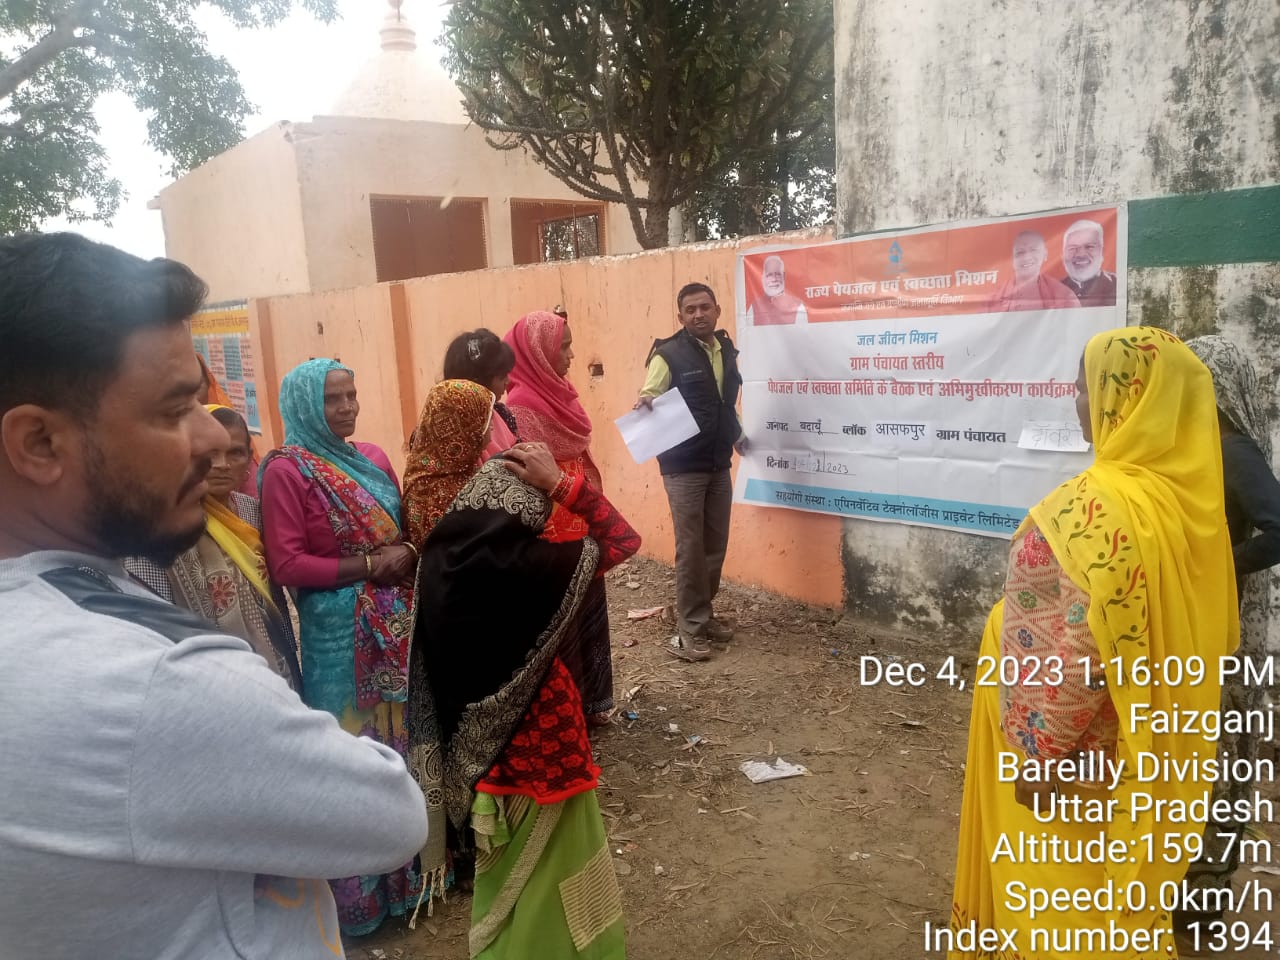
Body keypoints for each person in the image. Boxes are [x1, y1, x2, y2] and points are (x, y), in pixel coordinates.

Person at [0, 233, 427, 958]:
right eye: (173, 411)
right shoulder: (157, 684)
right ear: (39, 444)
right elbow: (391, 814)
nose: (213, 440)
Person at [948, 326, 1238, 959]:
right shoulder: (1190, 508)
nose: (1075, 400)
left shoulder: (1088, 510)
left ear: (1120, 398)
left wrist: (1038, 755)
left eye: (1084, 386)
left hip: (1070, 756)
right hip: (1142, 746)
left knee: (1060, 898)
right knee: (1117, 896)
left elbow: (1078, 654)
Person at [406, 446, 640, 959]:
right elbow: (623, 539)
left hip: (480, 763)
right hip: (547, 752)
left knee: (503, 875)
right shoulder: (537, 566)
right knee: (562, 867)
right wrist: (562, 485)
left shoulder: (436, 562)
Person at [259, 357, 424, 938]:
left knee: (402, 745)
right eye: (333, 399)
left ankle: (408, 881)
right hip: (337, 641)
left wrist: (406, 553)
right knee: (352, 757)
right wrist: (372, 566)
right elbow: (287, 563)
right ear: (306, 405)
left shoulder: (373, 458)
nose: (348, 407)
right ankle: (359, 900)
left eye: (352, 394)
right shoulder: (287, 470)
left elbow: (404, 533)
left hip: (398, 628)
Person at [1180, 334, 1280, 929]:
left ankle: (1205, 895)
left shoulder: (1232, 447)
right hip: (1208, 621)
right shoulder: (1200, 445)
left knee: (1220, 752)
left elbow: (1277, 529)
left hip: (1228, 626)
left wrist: (1215, 567)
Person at [123, 404, 301, 690]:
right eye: (210, 454)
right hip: (202, 666)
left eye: (235, 453)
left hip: (274, 650)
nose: (222, 465)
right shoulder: (164, 524)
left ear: (249, 459)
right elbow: (153, 605)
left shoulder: (254, 512)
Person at [504, 310, 616, 724]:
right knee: (562, 620)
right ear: (537, 353)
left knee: (589, 611)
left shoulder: (561, 394)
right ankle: (569, 713)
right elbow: (527, 474)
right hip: (552, 528)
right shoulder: (520, 406)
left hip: (580, 513)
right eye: (562, 347)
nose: (571, 355)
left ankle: (594, 703)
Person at [635, 282, 747, 661]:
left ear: (717, 310)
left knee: (715, 545)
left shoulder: (725, 350)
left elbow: (724, 405)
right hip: (683, 466)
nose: (698, 314)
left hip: (718, 462)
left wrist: (738, 437)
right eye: (690, 310)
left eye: (704, 307)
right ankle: (689, 629)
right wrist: (645, 401)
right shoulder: (667, 354)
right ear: (680, 316)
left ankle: (703, 614)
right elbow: (650, 394)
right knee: (691, 549)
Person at [402, 378, 495, 552]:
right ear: (466, 426)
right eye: (486, 420)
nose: (492, 427)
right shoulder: (430, 492)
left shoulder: (461, 468)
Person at [442, 328, 521, 459]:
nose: (508, 381)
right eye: (501, 377)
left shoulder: (502, 413)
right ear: (478, 382)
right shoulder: (445, 429)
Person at [987, 230, 1081, 312]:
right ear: (1012, 259)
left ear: (1045, 254)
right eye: (1020, 252)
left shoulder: (1064, 296)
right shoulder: (994, 297)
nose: (1026, 257)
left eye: (1033, 250)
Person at [1059, 219, 1118, 306]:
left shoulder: (1119, 284)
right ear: (1063, 254)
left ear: (1102, 251)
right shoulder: (1053, 290)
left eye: (1089, 247)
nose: (1080, 254)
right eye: (1073, 248)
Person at [746, 255, 808, 325]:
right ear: (763, 277)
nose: (774, 279)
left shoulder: (798, 306)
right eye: (769, 275)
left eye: (778, 274)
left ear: (783, 276)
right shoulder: (754, 307)